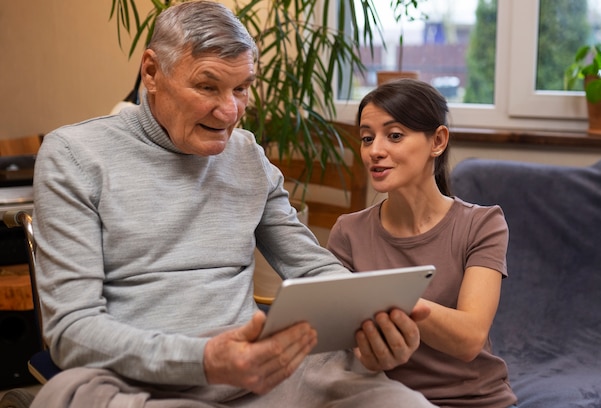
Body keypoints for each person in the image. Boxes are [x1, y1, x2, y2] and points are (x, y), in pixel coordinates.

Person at [29, 2, 437, 407]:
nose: (229, 112)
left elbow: (311, 266)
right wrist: (205, 360)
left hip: (261, 374)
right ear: (151, 72)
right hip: (138, 384)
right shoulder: (75, 156)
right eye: (208, 86)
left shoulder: (246, 154)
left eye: (241, 88)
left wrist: (368, 321)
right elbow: (71, 330)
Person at [326, 79, 518, 408]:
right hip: (384, 399)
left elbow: (470, 337)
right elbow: (353, 352)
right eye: (367, 138)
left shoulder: (482, 224)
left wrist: (385, 296)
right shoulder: (347, 232)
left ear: (438, 141)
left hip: (475, 400)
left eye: (394, 135)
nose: (375, 150)